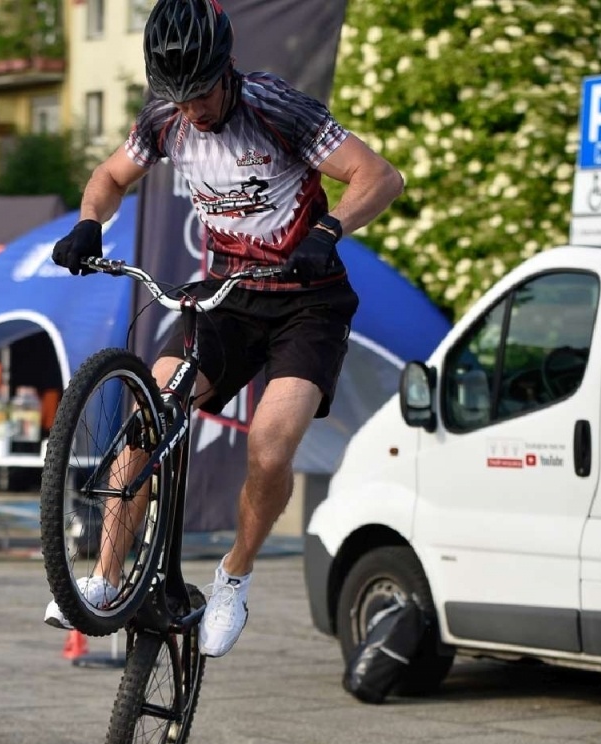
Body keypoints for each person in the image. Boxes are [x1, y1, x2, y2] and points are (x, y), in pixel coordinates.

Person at [43, 0, 405, 658]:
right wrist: (89, 222)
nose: (192, 112)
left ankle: (233, 576)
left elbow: (380, 176)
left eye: (201, 94)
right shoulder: (164, 117)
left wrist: (331, 229)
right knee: (150, 410)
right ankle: (105, 576)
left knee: (269, 446)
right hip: (228, 297)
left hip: (307, 302)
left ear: (226, 67)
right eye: (176, 98)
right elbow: (108, 176)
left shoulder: (277, 109)